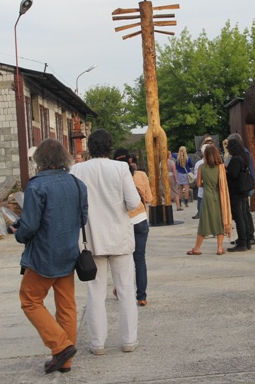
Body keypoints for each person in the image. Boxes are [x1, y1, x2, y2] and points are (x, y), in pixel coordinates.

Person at [13, 138, 87, 374]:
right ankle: (65, 361)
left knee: (30, 300)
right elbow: (82, 219)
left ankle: (61, 345)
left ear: (40, 161)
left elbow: (30, 225)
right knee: (66, 307)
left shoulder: (36, 186)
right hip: (68, 253)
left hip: (43, 256)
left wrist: (18, 232)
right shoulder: (77, 184)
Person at [70, 129, 141, 355]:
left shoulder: (77, 169)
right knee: (126, 291)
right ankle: (129, 340)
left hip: (91, 240)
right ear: (110, 146)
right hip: (119, 236)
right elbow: (133, 202)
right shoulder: (120, 168)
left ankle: (97, 343)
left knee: (95, 293)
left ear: (89, 147)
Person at [114, 148, 152, 306]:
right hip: (141, 219)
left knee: (123, 260)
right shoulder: (141, 175)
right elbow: (149, 197)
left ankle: (120, 290)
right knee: (140, 259)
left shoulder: (115, 178)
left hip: (124, 222)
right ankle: (141, 296)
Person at [186, 145, 231, 256]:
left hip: (207, 196)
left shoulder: (202, 167)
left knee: (204, 222)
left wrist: (206, 184)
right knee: (220, 220)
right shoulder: (221, 167)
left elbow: (198, 184)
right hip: (219, 196)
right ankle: (220, 248)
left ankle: (197, 248)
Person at [228, 133, 255, 247]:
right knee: (244, 213)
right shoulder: (244, 155)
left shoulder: (236, 159)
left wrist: (226, 172)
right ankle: (247, 239)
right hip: (245, 187)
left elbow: (233, 174)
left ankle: (244, 240)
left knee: (240, 215)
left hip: (238, 190)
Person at [191, 143, 209, 219]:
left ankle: (200, 214)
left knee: (200, 202)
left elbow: (196, 178)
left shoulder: (199, 164)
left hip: (202, 188)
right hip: (213, 190)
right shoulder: (217, 162)